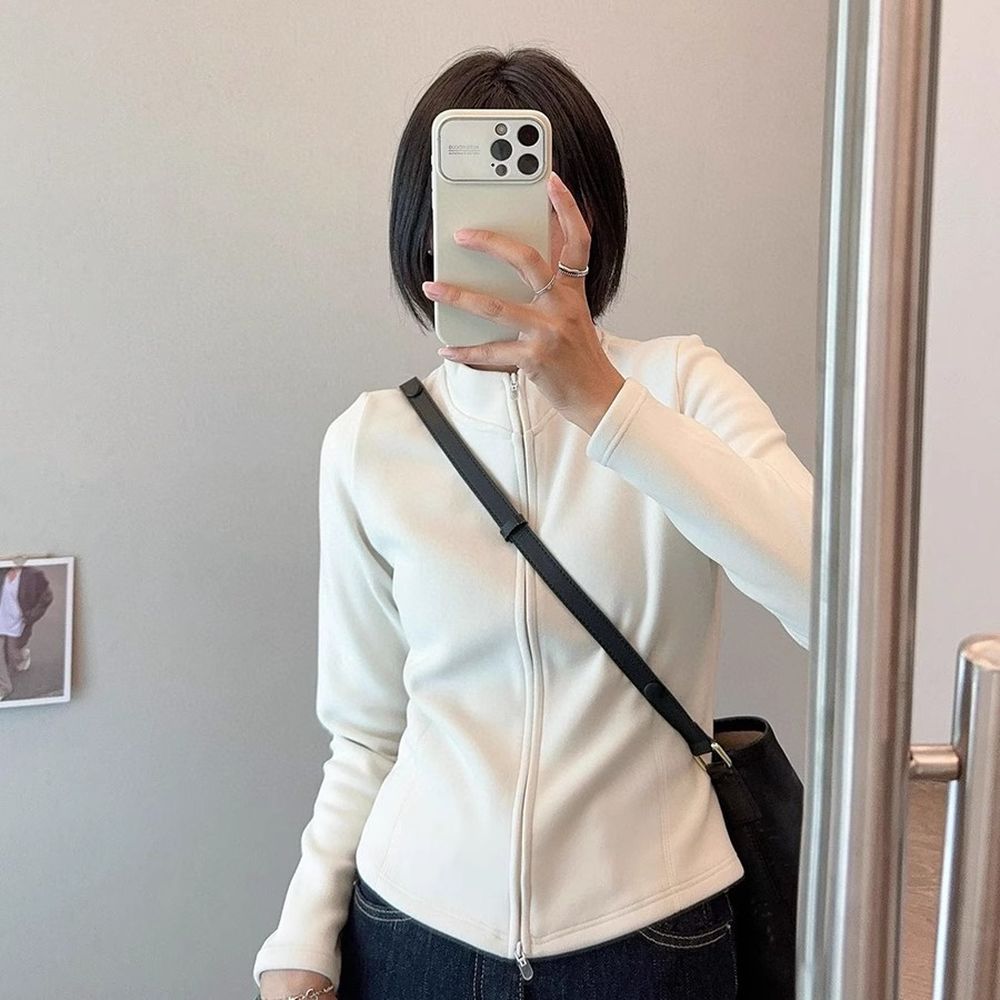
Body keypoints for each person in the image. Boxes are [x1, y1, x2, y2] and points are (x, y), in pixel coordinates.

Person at [254, 45, 812, 1000]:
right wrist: (300, 944)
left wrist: (606, 404)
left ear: (591, 221)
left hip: (656, 935)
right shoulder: (371, 443)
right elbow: (366, 738)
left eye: (533, 204)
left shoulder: (681, 387)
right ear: (423, 226)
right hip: (413, 934)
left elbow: (837, 607)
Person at [0, 563, 53, 701]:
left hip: (16, 622)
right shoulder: (2, 570)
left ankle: (22, 656)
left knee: (13, 654)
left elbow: (47, 597)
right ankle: (4, 688)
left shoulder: (33, 575)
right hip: (1, 619)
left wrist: (32, 615)